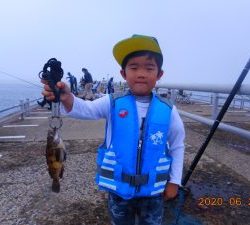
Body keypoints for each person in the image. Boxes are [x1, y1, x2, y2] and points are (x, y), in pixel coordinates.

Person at [41, 34, 185, 225]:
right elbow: (86, 109)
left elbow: (177, 145)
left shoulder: (169, 110)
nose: (141, 73)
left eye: (149, 68)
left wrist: (174, 181)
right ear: (123, 74)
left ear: (159, 75)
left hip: (153, 192)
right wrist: (67, 97)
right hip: (118, 190)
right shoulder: (112, 103)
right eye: (134, 68)